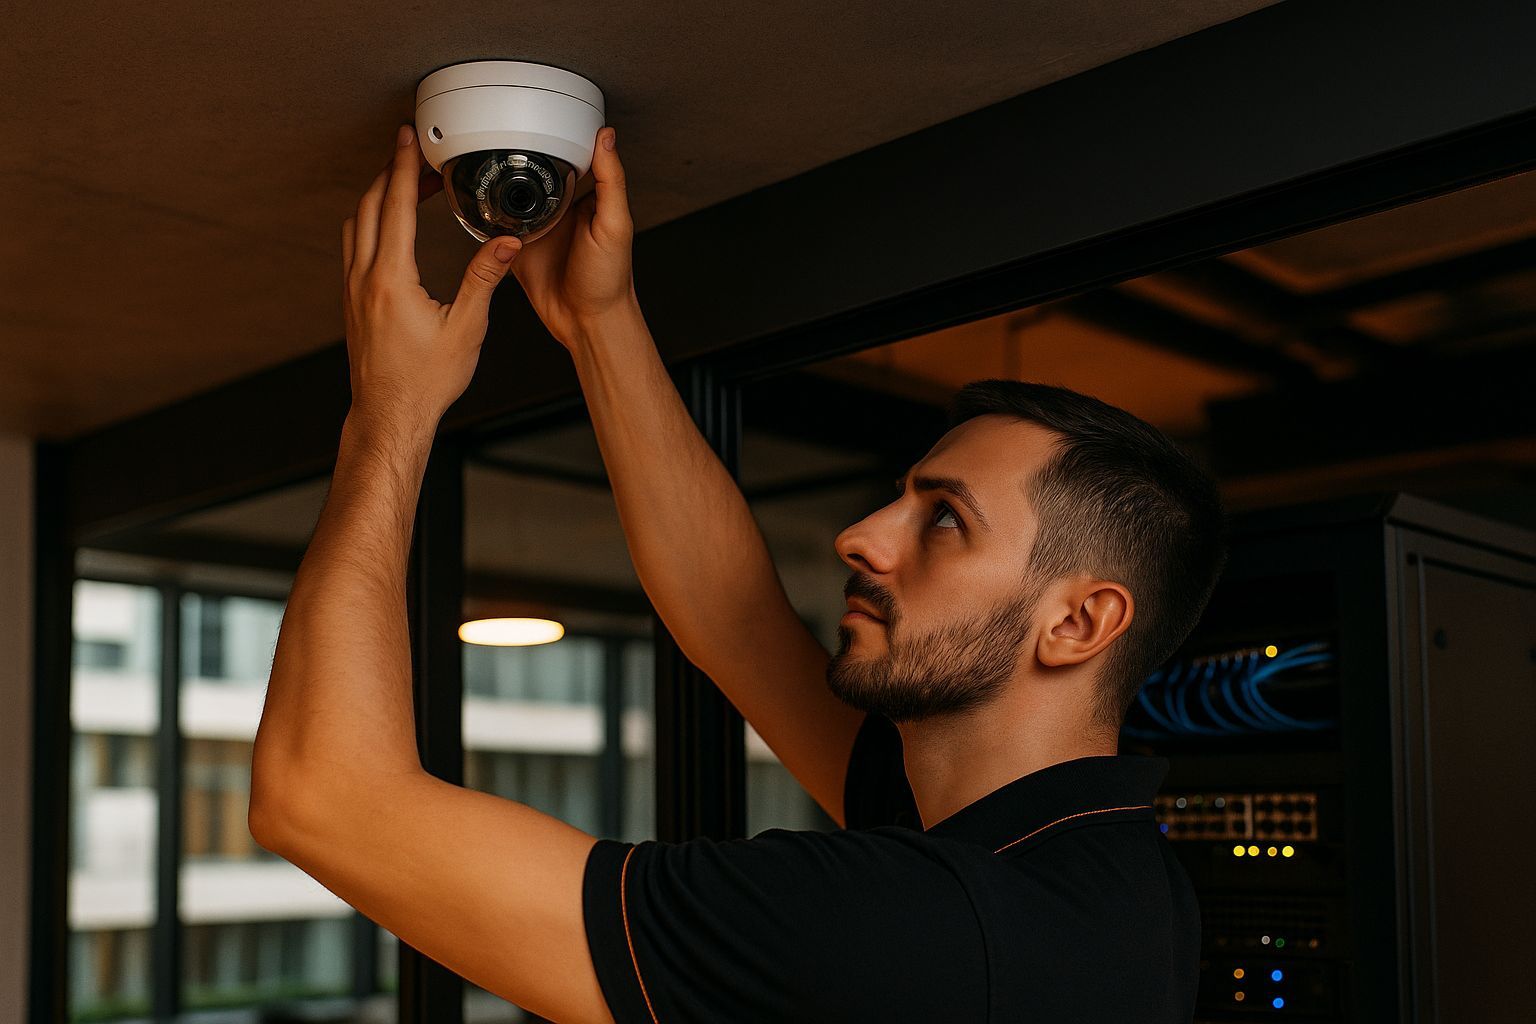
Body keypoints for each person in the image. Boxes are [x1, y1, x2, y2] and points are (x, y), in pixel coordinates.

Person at [250, 122, 1227, 1023]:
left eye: (943, 520)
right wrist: (599, 320)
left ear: (1080, 621)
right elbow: (738, 621)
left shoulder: (928, 926)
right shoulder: (1083, 870)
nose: (861, 535)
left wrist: (391, 414)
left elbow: (321, 798)